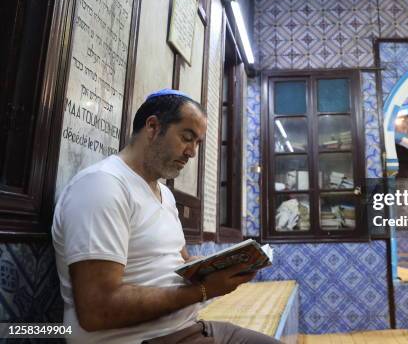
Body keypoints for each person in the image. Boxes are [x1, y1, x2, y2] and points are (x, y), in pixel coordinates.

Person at [52, 90, 281, 344]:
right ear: (152, 127)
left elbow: (181, 260)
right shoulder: (102, 186)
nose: (192, 152)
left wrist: (204, 268)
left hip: (189, 327)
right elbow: (97, 310)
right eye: (187, 137)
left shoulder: (165, 195)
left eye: (197, 143)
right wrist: (204, 290)